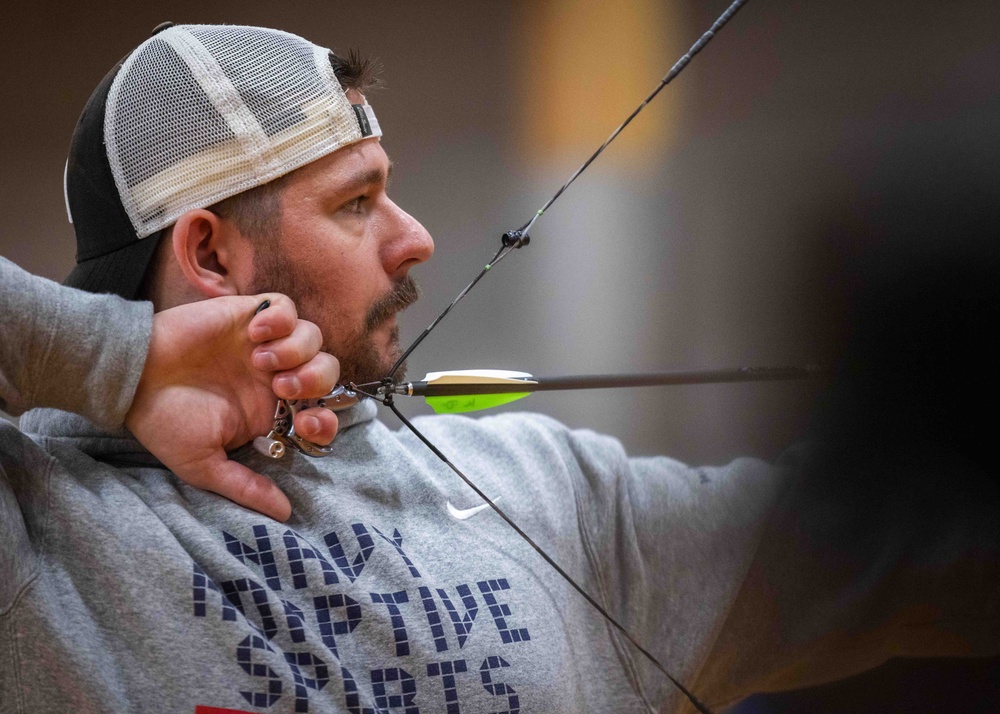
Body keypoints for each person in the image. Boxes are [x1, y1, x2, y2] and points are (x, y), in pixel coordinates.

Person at [1, 23, 996, 714]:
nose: (417, 239)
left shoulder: (557, 496)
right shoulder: (41, 527)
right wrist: (109, 360)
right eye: (357, 203)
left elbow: (940, 547)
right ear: (212, 256)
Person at [0, 255, 339, 520]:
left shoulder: (390, 448)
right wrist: (138, 358)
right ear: (210, 256)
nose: (395, 235)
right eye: (354, 204)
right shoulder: (41, 504)